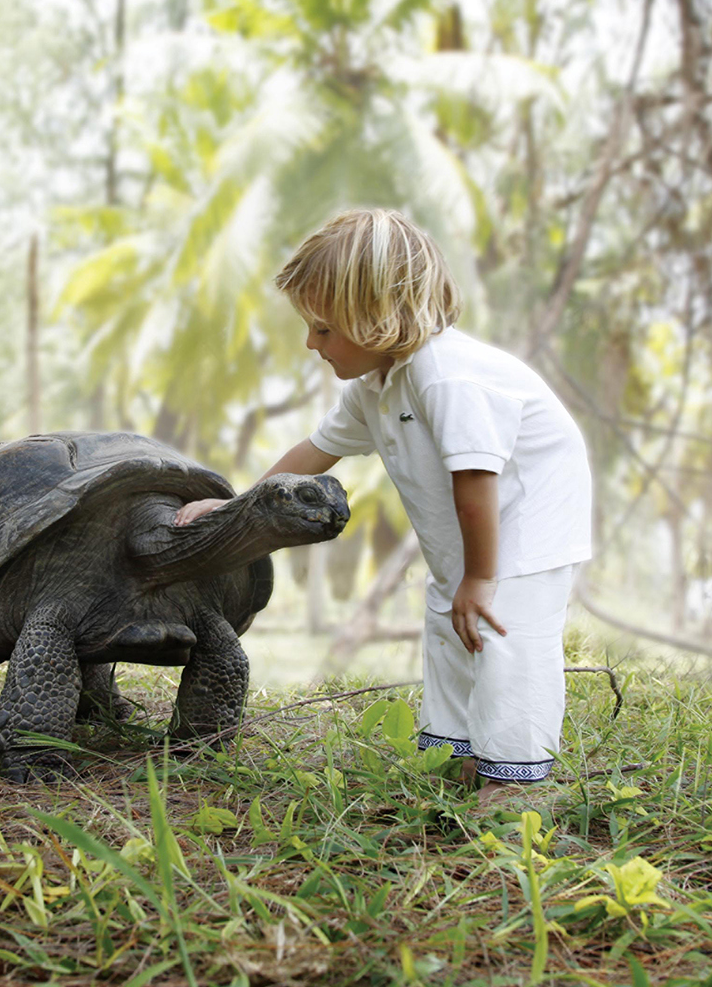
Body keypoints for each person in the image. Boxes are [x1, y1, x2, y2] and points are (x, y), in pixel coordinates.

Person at [174, 208, 592, 806]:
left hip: (527, 529)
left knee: (506, 641)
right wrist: (236, 507)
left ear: (377, 318)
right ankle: (460, 757)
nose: (310, 343)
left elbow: (477, 477)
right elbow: (313, 452)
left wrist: (479, 575)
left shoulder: (446, 375)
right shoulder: (374, 387)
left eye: (323, 329)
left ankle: (517, 784)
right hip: (470, 542)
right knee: (452, 629)